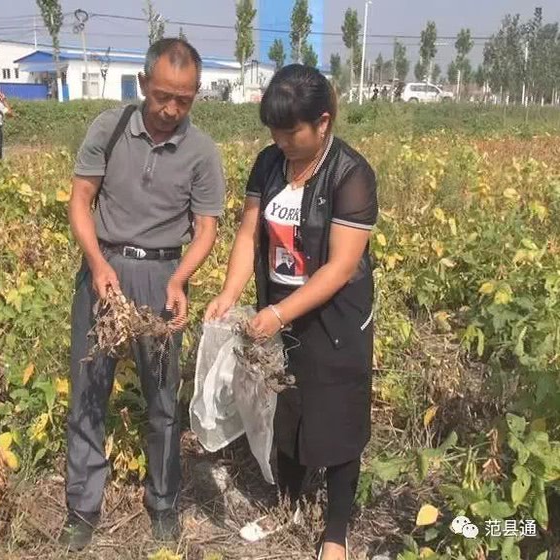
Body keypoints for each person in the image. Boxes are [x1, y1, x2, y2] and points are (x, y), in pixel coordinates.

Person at [205, 64, 377, 560]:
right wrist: (229, 292)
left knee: (339, 418)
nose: (280, 141)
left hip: (335, 319)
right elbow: (248, 234)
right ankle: (290, 503)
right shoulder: (269, 163)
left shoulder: (350, 174)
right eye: (274, 132)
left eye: (291, 132)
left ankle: (336, 532)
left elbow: (340, 267)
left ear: (323, 123)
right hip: (278, 306)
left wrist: (281, 314)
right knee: (284, 408)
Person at [62, 38, 225, 552]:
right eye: (162, 97)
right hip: (104, 271)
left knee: (162, 398)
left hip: (162, 276)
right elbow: (81, 201)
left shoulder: (201, 151)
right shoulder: (108, 129)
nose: (171, 109)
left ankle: (163, 502)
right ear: (142, 84)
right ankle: (82, 507)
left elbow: (206, 228)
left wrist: (180, 279)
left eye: (184, 100)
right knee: (89, 391)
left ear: (196, 94)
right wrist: (97, 263)